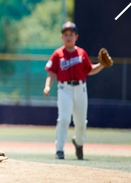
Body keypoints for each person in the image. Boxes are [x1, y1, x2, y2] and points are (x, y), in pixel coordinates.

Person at [43, 21, 105, 160]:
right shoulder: (58, 54)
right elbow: (51, 72)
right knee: (64, 118)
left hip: (80, 89)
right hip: (64, 88)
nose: (68, 37)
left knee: (81, 122)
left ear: (76, 36)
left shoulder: (81, 53)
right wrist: (47, 86)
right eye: (65, 34)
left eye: (71, 34)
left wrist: (101, 65)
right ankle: (59, 150)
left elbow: (90, 70)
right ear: (62, 37)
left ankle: (79, 143)